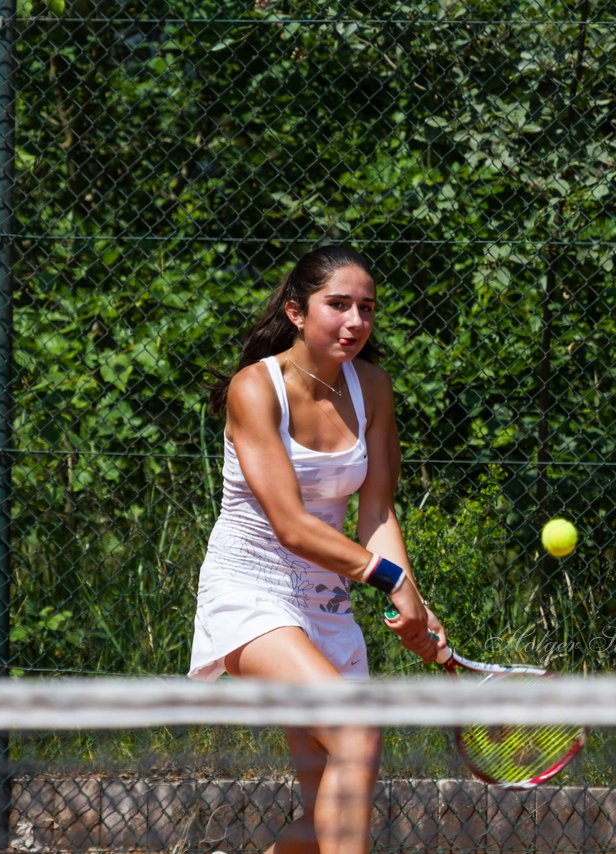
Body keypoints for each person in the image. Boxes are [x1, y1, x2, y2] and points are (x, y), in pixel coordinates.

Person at [188, 245, 445, 854]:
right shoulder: (256, 389)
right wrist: (389, 580)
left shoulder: (373, 388)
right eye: (339, 305)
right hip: (250, 590)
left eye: (368, 308)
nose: (355, 321)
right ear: (298, 312)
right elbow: (292, 526)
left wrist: (414, 599)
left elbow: (376, 511)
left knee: (322, 818)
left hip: (326, 603)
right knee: (356, 730)